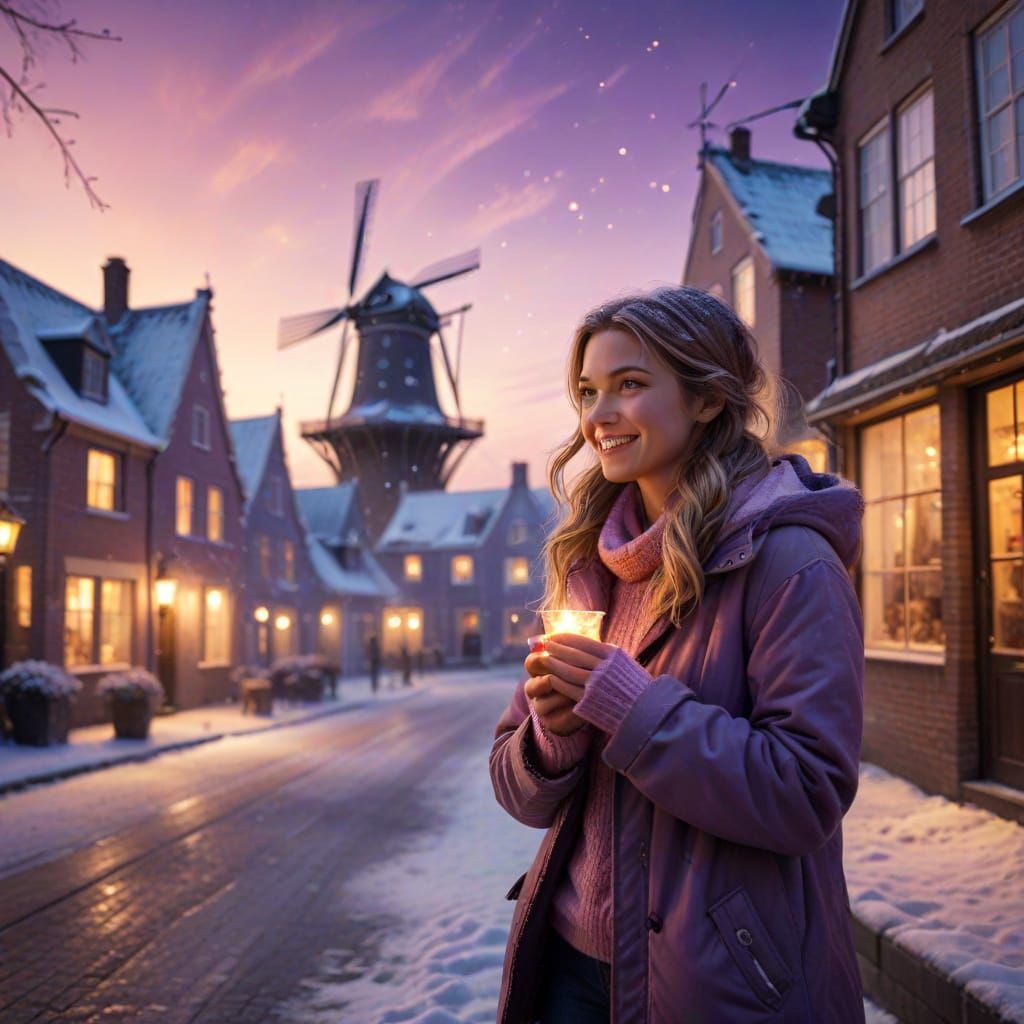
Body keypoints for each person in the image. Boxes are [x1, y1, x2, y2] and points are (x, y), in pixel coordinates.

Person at [489, 286, 865, 1023]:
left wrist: (631, 708)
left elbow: (806, 794)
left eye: (629, 384)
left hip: (716, 978)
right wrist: (554, 737)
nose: (598, 416)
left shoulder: (790, 563)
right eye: (588, 391)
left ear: (707, 398)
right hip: (567, 965)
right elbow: (517, 791)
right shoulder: (587, 563)